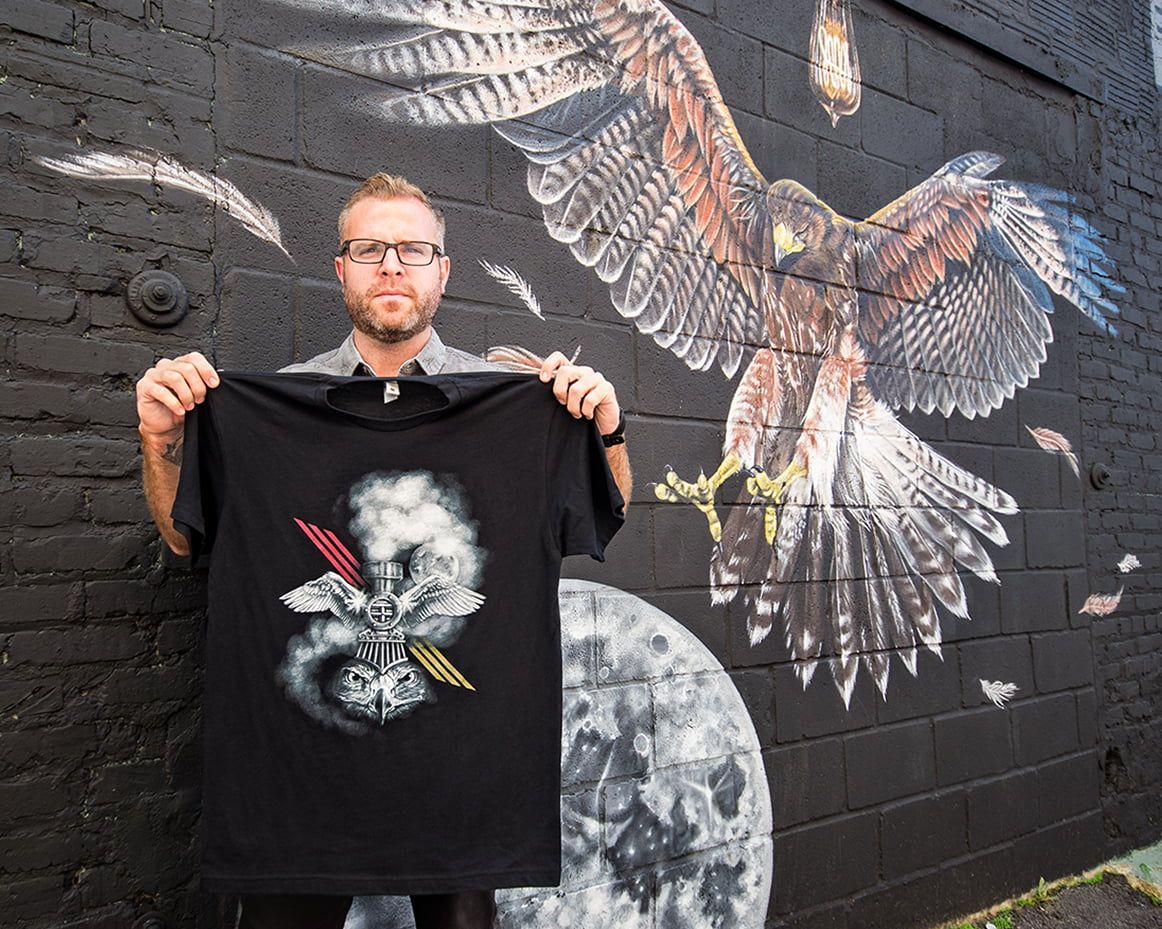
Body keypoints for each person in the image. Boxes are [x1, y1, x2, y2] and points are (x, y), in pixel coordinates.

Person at [135, 173, 632, 929]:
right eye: (370, 248)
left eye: (412, 249)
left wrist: (605, 433)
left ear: (443, 270)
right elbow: (182, 536)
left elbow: (599, 520)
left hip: (462, 785)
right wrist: (163, 438)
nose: (392, 265)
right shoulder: (266, 408)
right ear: (341, 269)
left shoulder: (516, 402)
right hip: (299, 793)